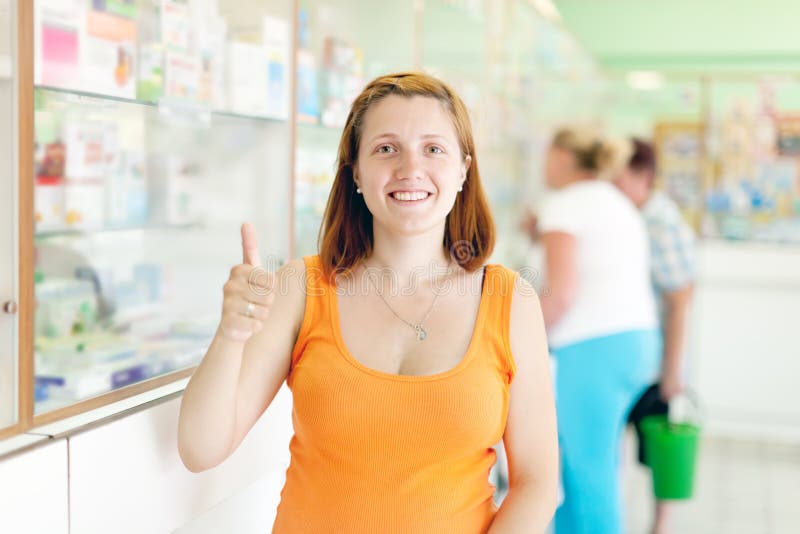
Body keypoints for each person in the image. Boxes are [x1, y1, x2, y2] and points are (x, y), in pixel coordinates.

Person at [177, 72, 558, 533]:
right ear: (356, 171)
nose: (410, 168)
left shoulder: (509, 300)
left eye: (433, 149)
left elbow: (536, 483)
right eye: (386, 148)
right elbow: (201, 448)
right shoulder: (303, 286)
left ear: (462, 169)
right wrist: (231, 334)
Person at [522, 128, 660, 534]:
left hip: (591, 350)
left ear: (564, 156)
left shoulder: (565, 204)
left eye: (547, 155)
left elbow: (559, 295)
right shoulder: (611, 200)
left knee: (586, 472)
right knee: (578, 467)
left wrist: (514, 342)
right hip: (631, 343)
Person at [614, 138, 696, 534]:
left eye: (619, 175)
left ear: (642, 176)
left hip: (656, 362)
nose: (611, 183)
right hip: (631, 356)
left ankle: (659, 528)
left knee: (659, 455)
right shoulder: (627, 216)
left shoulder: (659, 223)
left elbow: (681, 298)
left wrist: (672, 371)